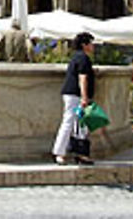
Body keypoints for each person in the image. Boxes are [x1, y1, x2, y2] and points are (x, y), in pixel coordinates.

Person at [51, 31, 96, 166]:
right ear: (84, 45)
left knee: (81, 125)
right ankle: (59, 152)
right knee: (70, 122)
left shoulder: (76, 57)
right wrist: (84, 97)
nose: (93, 47)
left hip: (72, 94)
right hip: (75, 95)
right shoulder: (83, 59)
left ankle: (81, 154)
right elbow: (82, 78)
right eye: (91, 43)